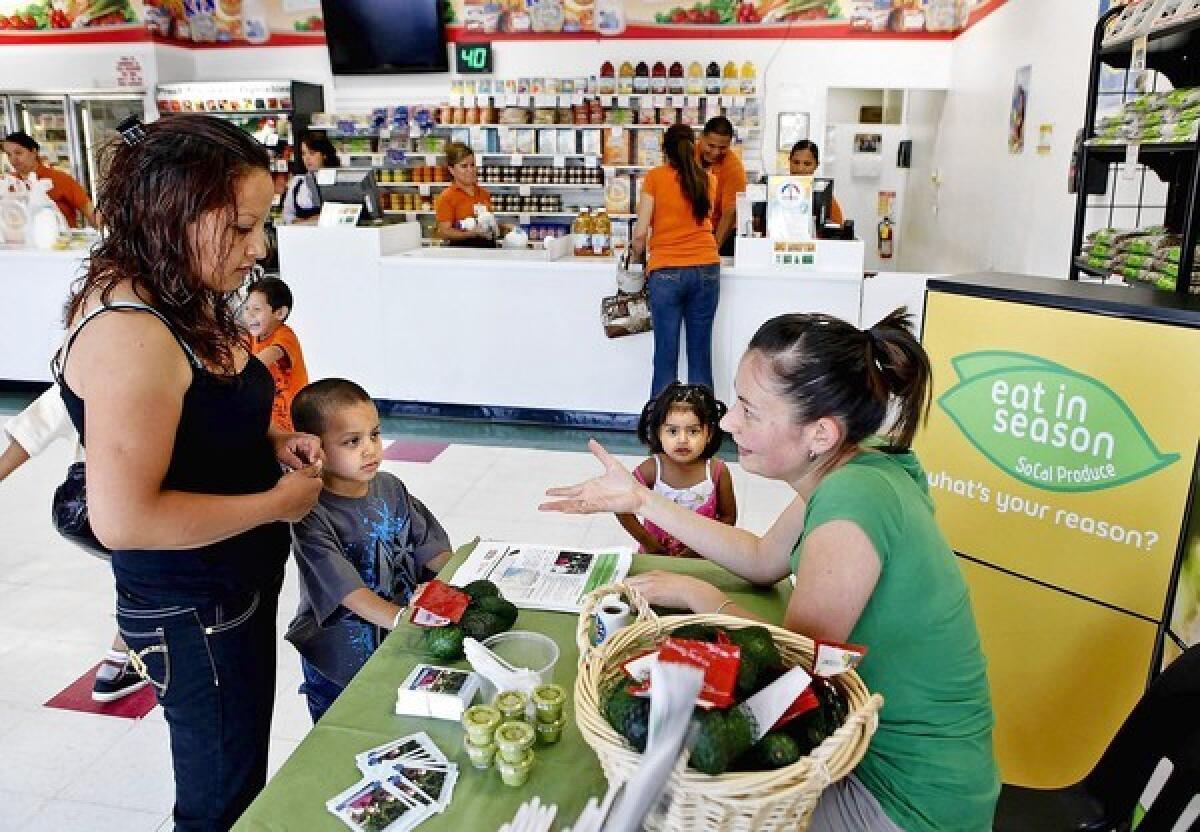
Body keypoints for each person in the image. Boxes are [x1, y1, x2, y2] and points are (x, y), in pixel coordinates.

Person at [541, 309, 999, 832]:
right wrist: (642, 498)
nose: (730, 421)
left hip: (906, 796)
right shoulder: (856, 464)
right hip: (869, 749)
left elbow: (792, 669)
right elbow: (762, 559)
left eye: (750, 410)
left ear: (820, 434)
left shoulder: (854, 501)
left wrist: (698, 594)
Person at [56, 113, 324, 832]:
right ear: (169, 214)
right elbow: (126, 519)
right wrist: (278, 505)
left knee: (240, 773)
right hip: (194, 610)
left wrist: (269, 438)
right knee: (219, 802)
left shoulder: (181, 287)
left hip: (230, 588)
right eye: (240, 228)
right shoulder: (129, 333)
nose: (258, 249)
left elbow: (200, 412)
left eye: (262, 226)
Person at [286, 379, 452, 723]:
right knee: (342, 733)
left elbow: (431, 552)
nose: (370, 450)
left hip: (395, 640)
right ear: (314, 448)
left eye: (374, 435)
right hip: (341, 657)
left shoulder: (390, 487)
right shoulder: (311, 511)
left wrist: (463, 580)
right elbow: (349, 593)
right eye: (352, 441)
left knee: (392, 725)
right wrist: (402, 621)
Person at [0, 386, 146, 702]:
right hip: (122, 503)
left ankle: (121, 658)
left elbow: (31, 432)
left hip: (76, 508)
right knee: (152, 568)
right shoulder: (162, 366)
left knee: (138, 569)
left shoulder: (80, 374)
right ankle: (122, 660)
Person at [633, 124, 721, 398]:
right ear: (693, 146)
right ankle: (705, 427)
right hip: (707, 268)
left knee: (665, 356)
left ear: (664, 150)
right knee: (700, 355)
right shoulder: (709, 179)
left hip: (667, 271)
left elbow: (639, 234)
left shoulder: (655, 178)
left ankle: (660, 428)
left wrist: (638, 259)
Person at [617, 382, 736, 557]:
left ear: (709, 434)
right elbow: (621, 506)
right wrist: (648, 542)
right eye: (672, 431)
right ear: (659, 433)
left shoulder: (717, 472)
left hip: (704, 561)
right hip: (656, 559)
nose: (682, 440)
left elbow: (728, 518)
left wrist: (700, 548)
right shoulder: (651, 470)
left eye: (693, 432)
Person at [243, 276, 309, 432]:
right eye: (247, 308)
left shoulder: (285, 336)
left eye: (257, 309)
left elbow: (267, 357)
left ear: (279, 313)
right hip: (269, 418)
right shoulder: (249, 338)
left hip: (293, 419)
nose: (249, 315)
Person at [2, 130, 96, 228]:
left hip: (62, 241)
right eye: (9, 154)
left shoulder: (60, 179)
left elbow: (91, 213)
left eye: (18, 153)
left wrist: (106, 235)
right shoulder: (8, 182)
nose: (13, 159)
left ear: (34, 152)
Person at [696, 116, 747, 257]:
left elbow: (729, 213)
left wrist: (713, 249)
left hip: (719, 232)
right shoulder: (688, 156)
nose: (715, 152)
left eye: (722, 148)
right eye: (711, 146)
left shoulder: (734, 168)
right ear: (701, 137)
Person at [435, 142, 496, 247]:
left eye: (472, 165)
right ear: (452, 170)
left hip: (487, 251)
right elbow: (444, 232)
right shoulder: (447, 197)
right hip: (462, 254)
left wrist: (504, 227)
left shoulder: (483, 193)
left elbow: (486, 222)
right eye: (464, 166)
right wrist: (471, 234)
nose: (470, 170)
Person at [282, 132, 340, 225]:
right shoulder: (297, 182)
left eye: (312, 153)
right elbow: (287, 215)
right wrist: (308, 221)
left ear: (324, 155)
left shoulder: (338, 181)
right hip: (301, 236)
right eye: (304, 153)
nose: (307, 158)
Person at [789, 140, 845, 225]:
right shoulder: (775, 190)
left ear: (816, 165)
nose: (800, 168)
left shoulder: (823, 196)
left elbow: (838, 227)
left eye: (807, 164)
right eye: (796, 162)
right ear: (789, 161)